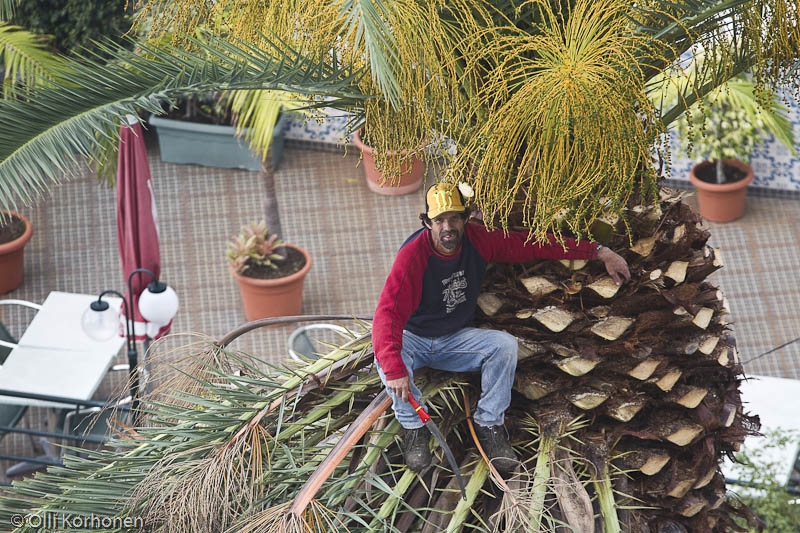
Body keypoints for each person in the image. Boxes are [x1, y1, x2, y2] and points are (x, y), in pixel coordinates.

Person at [372, 182, 631, 473]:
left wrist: (598, 251)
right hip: (415, 338)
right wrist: (395, 370)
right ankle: (415, 428)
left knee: (503, 345)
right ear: (427, 222)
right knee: (388, 360)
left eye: (454, 218)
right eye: (439, 220)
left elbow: (533, 244)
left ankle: (489, 424)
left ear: (465, 218)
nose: (448, 227)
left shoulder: (478, 240)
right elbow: (387, 316)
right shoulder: (412, 257)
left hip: (455, 340)